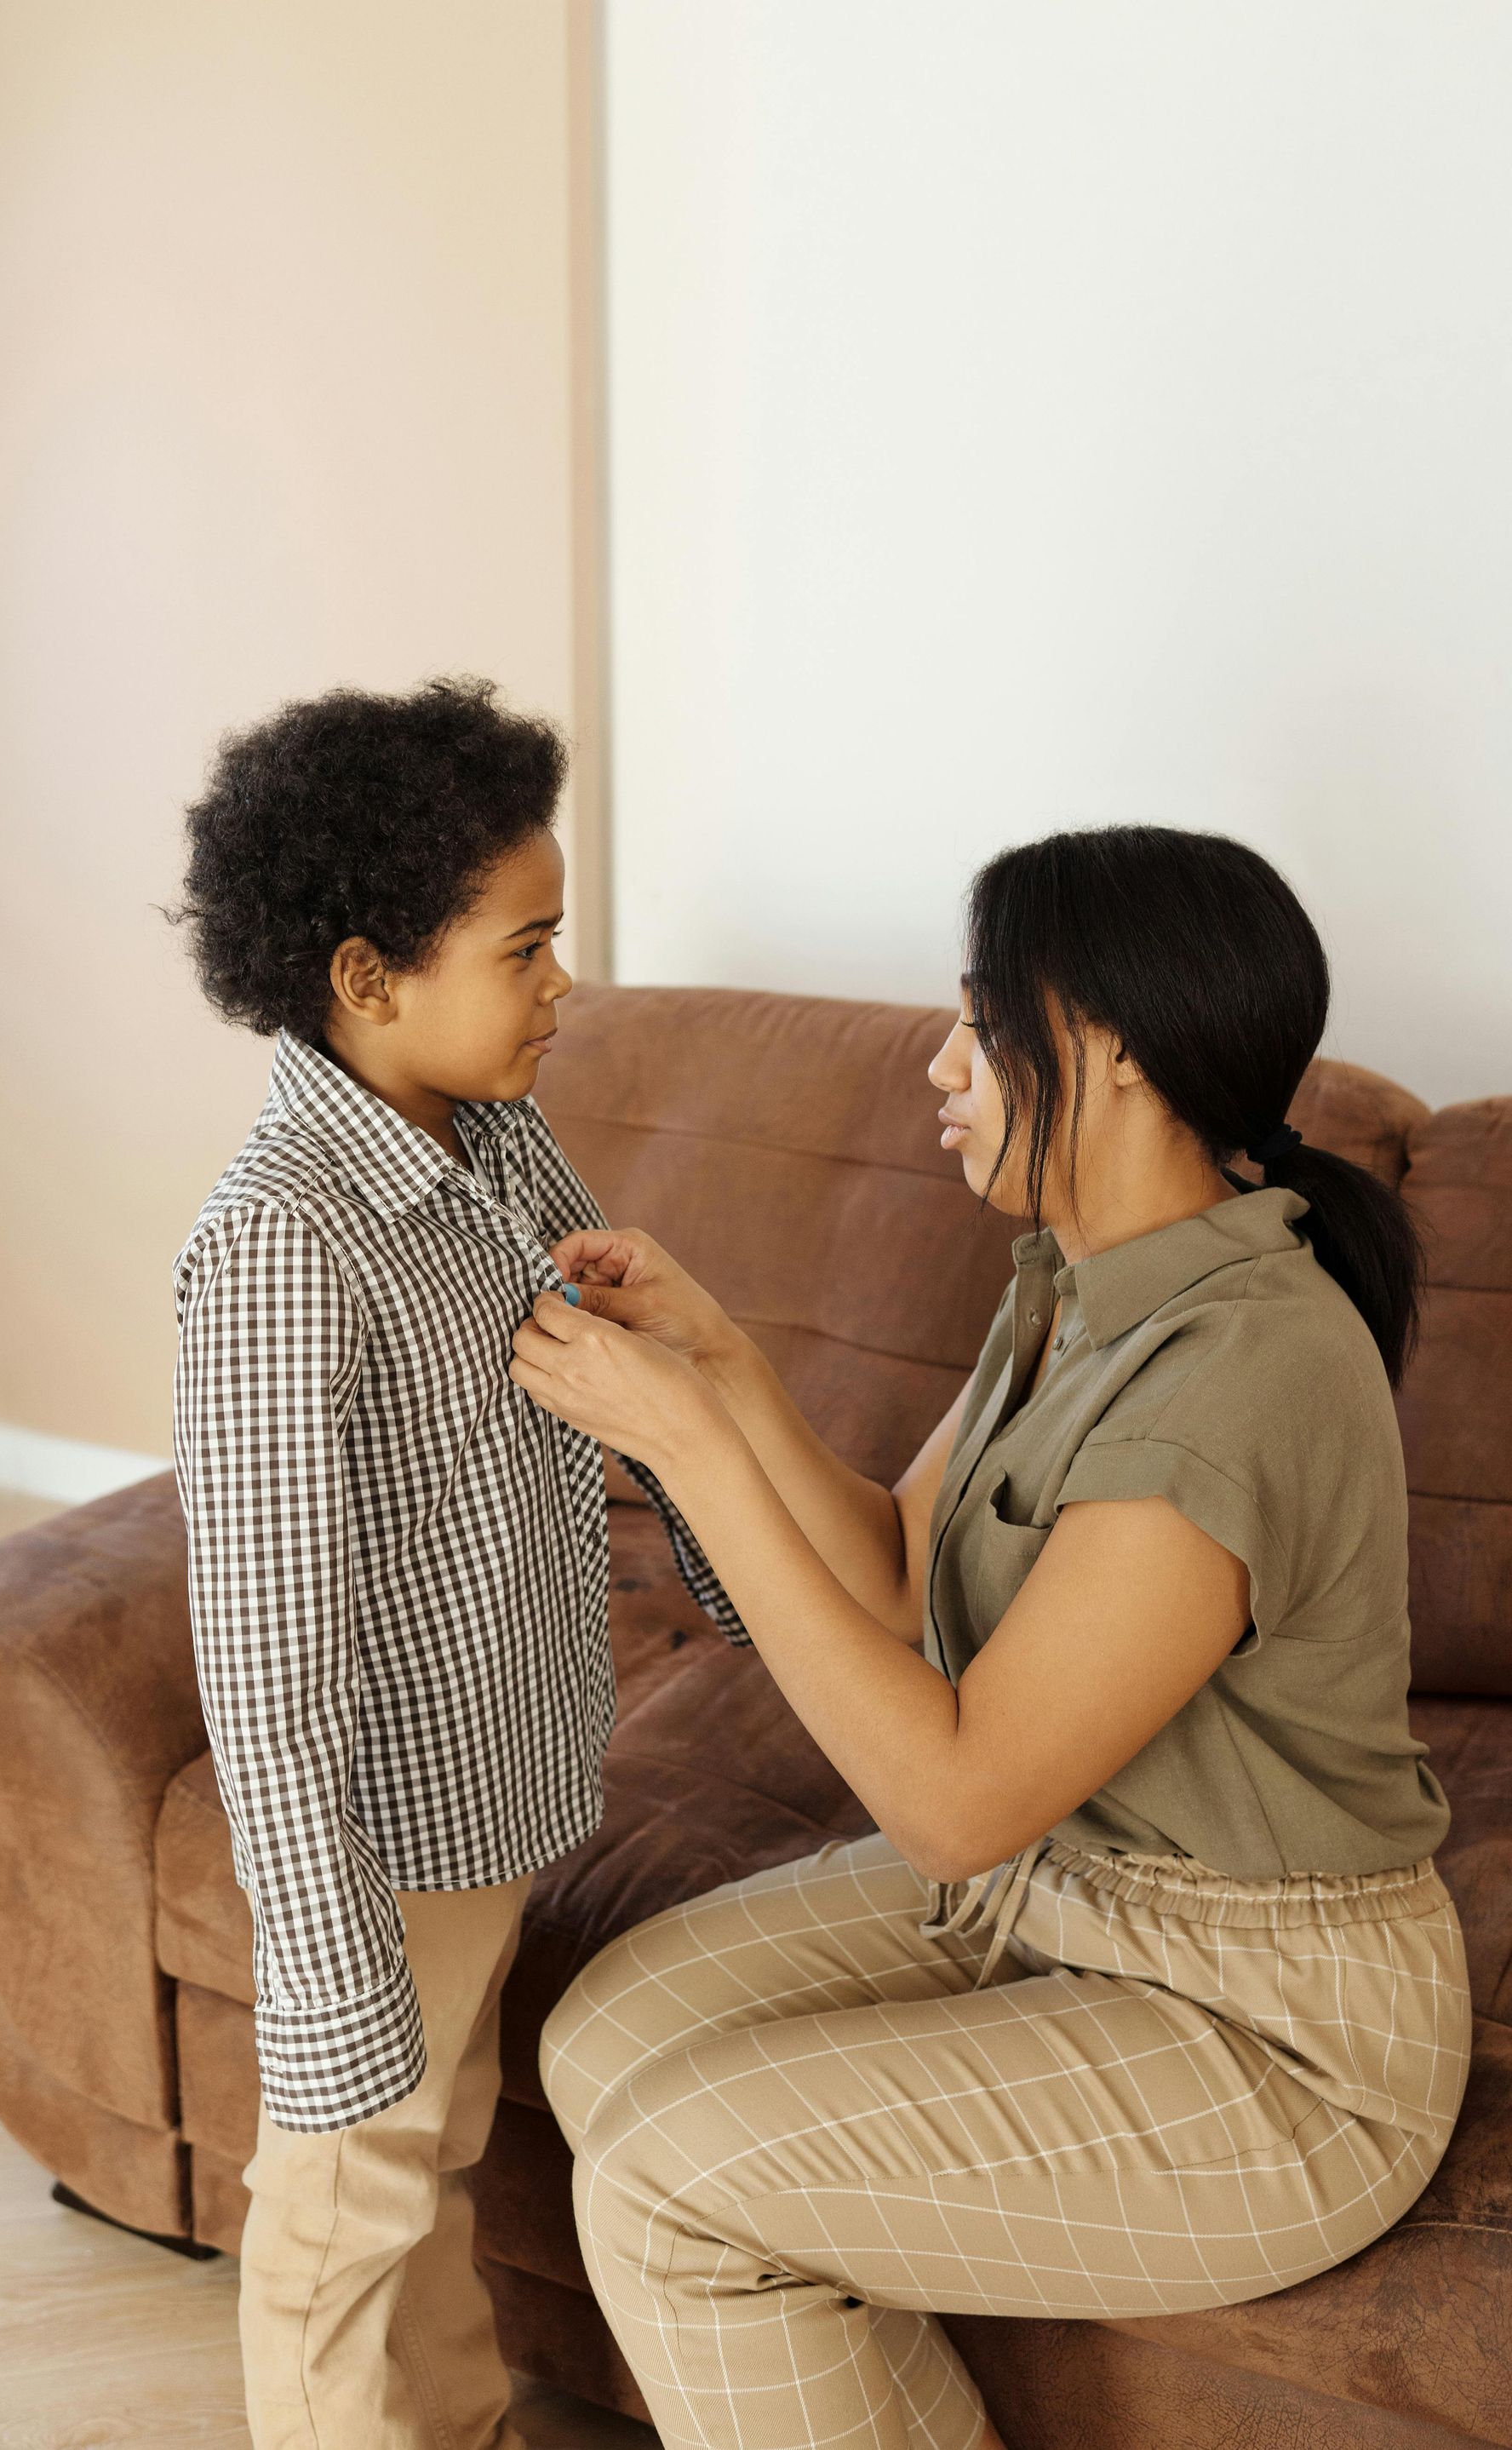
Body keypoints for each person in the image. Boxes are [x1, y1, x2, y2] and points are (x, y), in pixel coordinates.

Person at [513, 823, 1471, 2450]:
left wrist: (677, 1449)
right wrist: (725, 1364)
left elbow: (955, 1801)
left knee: (680, 2175)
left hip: (1275, 2024)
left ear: (1101, 1048)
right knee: (602, 2038)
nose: (943, 1065)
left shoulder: (1248, 1367)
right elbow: (897, 1567)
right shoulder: (1071, 1279)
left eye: (977, 1019)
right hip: (1067, 1892)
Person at [168, 678, 743, 2450]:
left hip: (498, 1781)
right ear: (366, 975)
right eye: (532, 944)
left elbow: (607, 1386)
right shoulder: (282, 1246)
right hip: (384, 1832)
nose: (566, 983)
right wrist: (333, 1974)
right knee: (345, 2202)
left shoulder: (488, 1139)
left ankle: (462, 2424)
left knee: (440, 2149)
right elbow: (270, 1670)